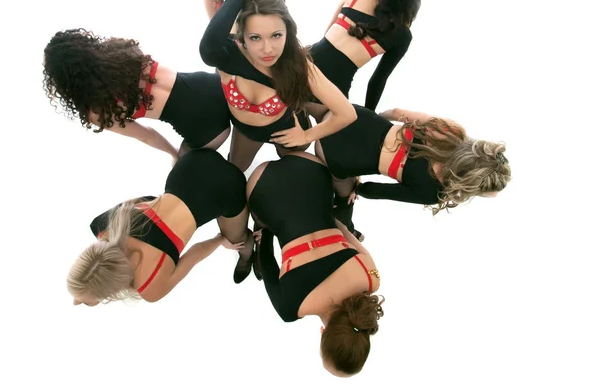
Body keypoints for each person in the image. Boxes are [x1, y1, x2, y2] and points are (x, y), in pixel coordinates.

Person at [247, 152, 384, 377]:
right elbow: (266, 259)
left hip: (310, 167)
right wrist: (265, 232)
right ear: (323, 334)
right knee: (268, 222)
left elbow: (343, 229)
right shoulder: (291, 308)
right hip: (260, 184)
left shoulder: (371, 278)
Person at [200, 0, 356, 172]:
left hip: (286, 130)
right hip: (246, 131)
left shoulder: (298, 63)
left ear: (287, 32)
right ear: (241, 36)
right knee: (233, 172)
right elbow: (207, 48)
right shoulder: (229, 54)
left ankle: (303, 109)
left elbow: (347, 113)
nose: (268, 49)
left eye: (276, 35)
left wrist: (306, 137)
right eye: (255, 37)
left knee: (292, 178)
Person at [67, 149, 253, 305]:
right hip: (190, 166)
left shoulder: (150, 287)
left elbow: (196, 254)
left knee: (238, 240)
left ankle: (248, 258)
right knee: (234, 158)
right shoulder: (102, 226)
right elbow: (141, 201)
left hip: (224, 189)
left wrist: (220, 239)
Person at [316, 105, 512, 239]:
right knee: (346, 195)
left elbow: (396, 111)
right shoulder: (434, 192)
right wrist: (358, 188)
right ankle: (345, 231)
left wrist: (372, 118)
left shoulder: (451, 130)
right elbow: (376, 191)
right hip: (331, 150)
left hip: (347, 114)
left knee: (359, 127)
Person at [43, 29, 231, 163]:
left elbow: (148, 136)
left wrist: (175, 155)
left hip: (208, 130)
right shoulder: (118, 48)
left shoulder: (97, 111)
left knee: (179, 167)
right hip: (215, 86)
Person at [307, 0, 425, 121]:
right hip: (333, 90)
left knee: (276, 127)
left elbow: (326, 36)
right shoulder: (402, 35)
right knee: (323, 144)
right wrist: (369, 116)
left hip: (302, 65)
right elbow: (377, 80)